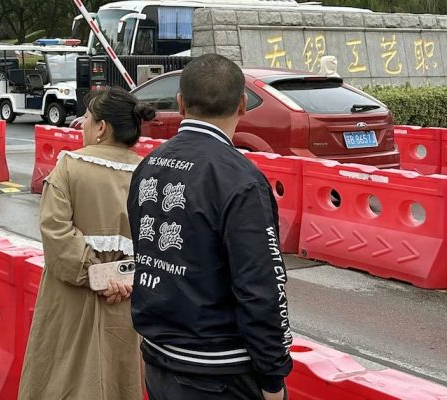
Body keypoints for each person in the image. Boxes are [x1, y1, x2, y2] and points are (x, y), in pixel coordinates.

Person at [128, 53, 293, 400]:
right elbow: (262, 287)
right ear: (243, 105)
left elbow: (147, 257)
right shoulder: (240, 180)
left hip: (159, 360)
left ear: (181, 103)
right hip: (219, 373)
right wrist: (273, 377)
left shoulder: (150, 165)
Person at [18, 87, 155, 400]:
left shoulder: (70, 166)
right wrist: (121, 277)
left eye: (88, 119)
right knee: (120, 378)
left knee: (63, 377)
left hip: (72, 300)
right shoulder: (148, 174)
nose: (83, 125)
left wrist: (99, 275)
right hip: (128, 302)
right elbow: (159, 246)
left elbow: (55, 233)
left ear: (102, 128)